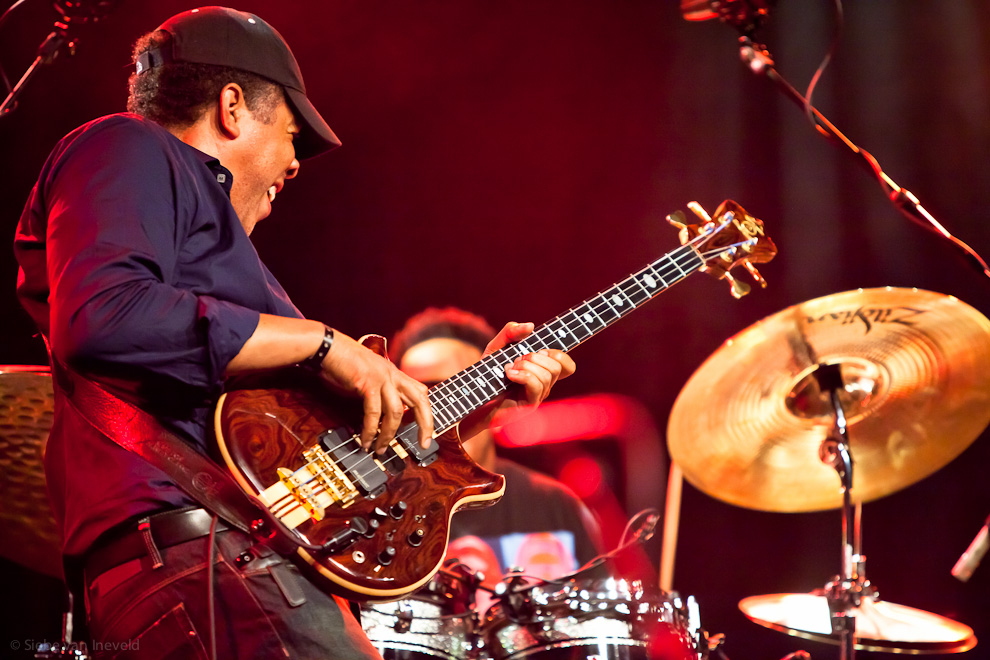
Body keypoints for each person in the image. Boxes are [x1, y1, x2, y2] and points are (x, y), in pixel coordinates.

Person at [13, 7, 573, 659]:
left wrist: (484, 398)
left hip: (234, 565)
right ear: (231, 107)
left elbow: (334, 460)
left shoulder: (229, 274)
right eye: (291, 133)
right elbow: (106, 319)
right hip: (211, 564)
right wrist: (325, 346)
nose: (296, 164)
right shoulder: (128, 145)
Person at [388, 307, 603, 604]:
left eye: (451, 389)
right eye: (417, 395)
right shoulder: (381, 508)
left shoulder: (554, 503)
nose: (434, 409)